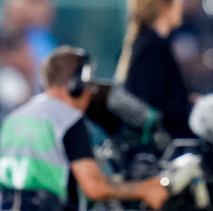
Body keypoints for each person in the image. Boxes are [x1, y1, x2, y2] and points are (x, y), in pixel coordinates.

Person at [0, 46, 168, 210]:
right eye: (89, 85)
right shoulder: (68, 119)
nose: (90, 94)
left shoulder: (13, 119)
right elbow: (94, 187)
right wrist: (144, 190)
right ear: (76, 85)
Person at [115, 0, 194, 139]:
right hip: (161, 150)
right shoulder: (153, 47)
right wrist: (192, 112)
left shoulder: (143, 44)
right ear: (165, 5)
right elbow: (154, 103)